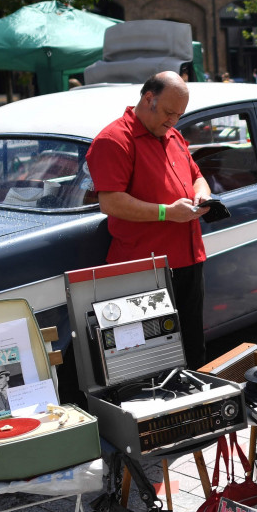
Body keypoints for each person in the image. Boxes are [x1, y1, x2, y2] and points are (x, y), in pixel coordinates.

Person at [86, 71, 212, 367]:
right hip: (145, 267)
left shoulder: (172, 134)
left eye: (179, 115)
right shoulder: (115, 139)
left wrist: (201, 195)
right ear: (148, 98)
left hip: (188, 259)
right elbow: (110, 201)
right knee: (151, 357)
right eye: (169, 113)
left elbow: (197, 177)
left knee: (192, 349)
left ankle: (195, 407)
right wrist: (166, 213)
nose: (173, 121)